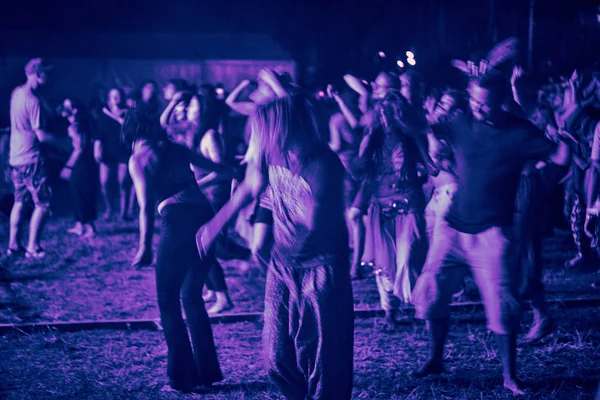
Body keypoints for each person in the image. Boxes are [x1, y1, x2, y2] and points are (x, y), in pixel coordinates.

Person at [411, 70, 570, 396]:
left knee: (502, 302)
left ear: (500, 102)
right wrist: (427, 118)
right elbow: (426, 128)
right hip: (452, 226)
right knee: (432, 289)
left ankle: (509, 376)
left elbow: (558, 157)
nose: (477, 108)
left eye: (484, 103)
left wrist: (565, 141)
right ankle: (435, 359)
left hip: (493, 231)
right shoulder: (461, 123)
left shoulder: (520, 132)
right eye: (473, 100)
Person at [197, 69, 354, 400]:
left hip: (321, 267)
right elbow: (252, 186)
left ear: (281, 128)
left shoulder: (323, 164)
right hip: (283, 265)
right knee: (276, 358)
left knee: (323, 361)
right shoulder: (273, 152)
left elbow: (317, 221)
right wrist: (215, 225)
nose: (256, 140)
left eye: (260, 131)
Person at [124, 105, 232, 393]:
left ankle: (182, 379)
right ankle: (208, 372)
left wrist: (144, 246)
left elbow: (145, 207)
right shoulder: (177, 148)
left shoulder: (138, 159)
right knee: (192, 296)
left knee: (168, 300)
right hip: (205, 216)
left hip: (178, 223)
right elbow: (222, 171)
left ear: (128, 132)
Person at [6, 58, 54, 258]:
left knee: (19, 201)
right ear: (38, 74)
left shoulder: (17, 93)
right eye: (46, 73)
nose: (49, 77)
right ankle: (33, 247)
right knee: (43, 204)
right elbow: (41, 135)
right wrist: (64, 143)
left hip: (15, 157)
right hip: (31, 158)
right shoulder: (33, 101)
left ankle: (13, 245)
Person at [60, 103, 98, 238]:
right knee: (79, 193)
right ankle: (79, 225)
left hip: (80, 165)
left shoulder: (76, 126)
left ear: (75, 110)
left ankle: (89, 228)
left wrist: (68, 167)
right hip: (86, 164)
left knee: (81, 194)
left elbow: (79, 148)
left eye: (67, 106)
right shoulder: (84, 124)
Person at [95, 87, 132, 220]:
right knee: (104, 182)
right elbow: (99, 133)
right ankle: (109, 209)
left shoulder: (129, 113)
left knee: (123, 182)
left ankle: (124, 212)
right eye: (113, 96)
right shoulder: (104, 114)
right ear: (109, 99)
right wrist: (97, 147)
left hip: (124, 151)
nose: (116, 98)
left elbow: (133, 132)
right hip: (107, 152)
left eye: (118, 95)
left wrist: (124, 122)